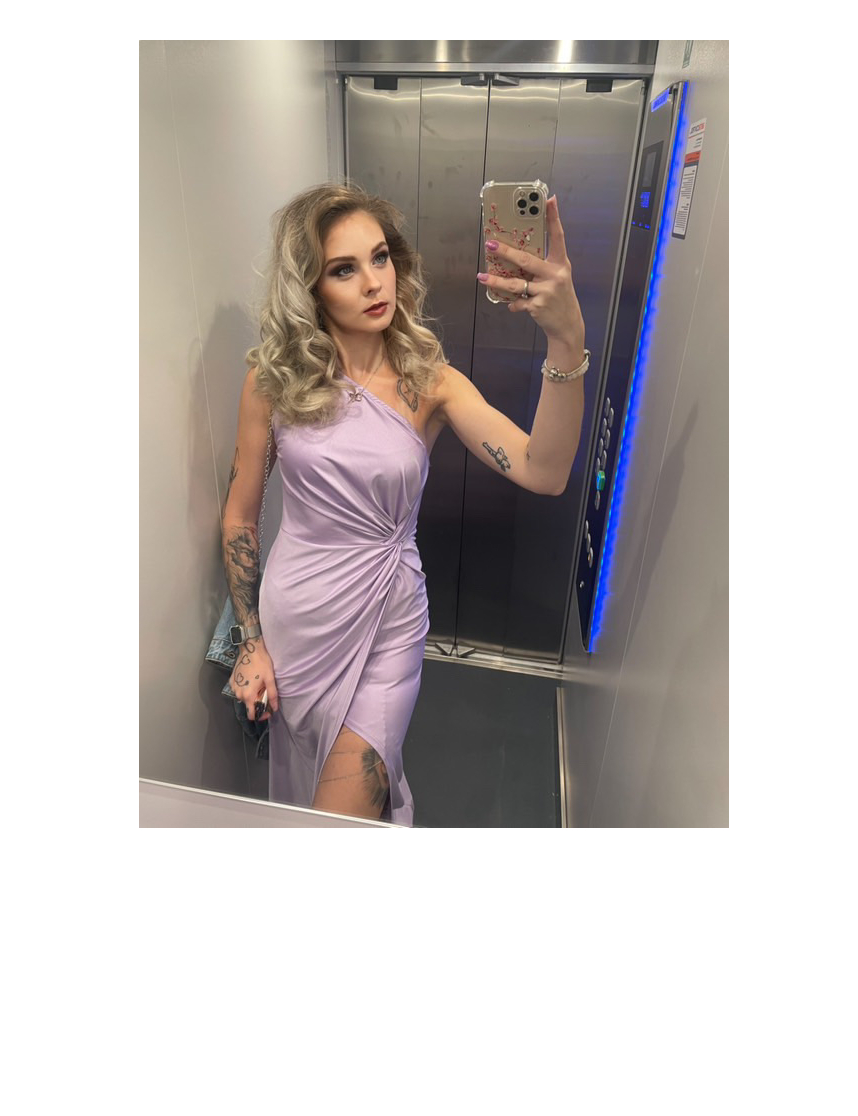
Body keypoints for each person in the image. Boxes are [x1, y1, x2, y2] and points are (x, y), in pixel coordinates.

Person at [221, 181, 588, 824]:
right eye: (344, 269)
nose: (373, 282)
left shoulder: (430, 382)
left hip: (389, 619)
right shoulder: (272, 381)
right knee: (305, 800)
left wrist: (566, 339)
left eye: (380, 257)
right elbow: (240, 517)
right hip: (297, 616)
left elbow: (544, 470)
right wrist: (250, 641)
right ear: (310, 288)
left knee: (344, 814)